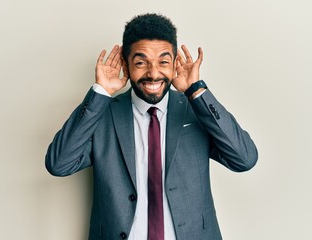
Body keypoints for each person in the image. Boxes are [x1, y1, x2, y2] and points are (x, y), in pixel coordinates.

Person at [45, 13, 258, 240]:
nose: (153, 73)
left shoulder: (195, 109)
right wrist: (101, 92)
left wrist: (196, 91)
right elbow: (59, 164)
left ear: (175, 63)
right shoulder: (103, 114)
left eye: (163, 62)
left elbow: (244, 159)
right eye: (141, 62)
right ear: (126, 65)